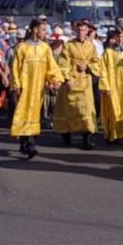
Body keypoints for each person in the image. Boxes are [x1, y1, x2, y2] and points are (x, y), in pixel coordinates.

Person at [10, 19, 64, 159]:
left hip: (38, 87)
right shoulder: (22, 47)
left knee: (34, 114)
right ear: (35, 30)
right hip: (25, 86)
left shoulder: (45, 48)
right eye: (43, 29)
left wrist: (55, 79)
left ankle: (25, 140)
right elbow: (15, 67)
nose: (45, 32)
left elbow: (51, 66)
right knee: (23, 112)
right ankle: (30, 143)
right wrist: (16, 84)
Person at [54, 20, 102, 150]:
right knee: (69, 108)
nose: (81, 33)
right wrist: (67, 78)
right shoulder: (69, 45)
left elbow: (97, 63)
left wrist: (87, 66)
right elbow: (63, 63)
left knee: (86, 109)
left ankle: (87, 139)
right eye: (79, 30)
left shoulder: (91, 46)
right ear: (76, 31)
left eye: (84, 30)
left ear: (87, 31)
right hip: (72, 79)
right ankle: (66, 135)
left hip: (85, 81)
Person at [100, 27, 123, 146]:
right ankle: (114, 134)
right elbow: (103, 70)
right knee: (114, 110)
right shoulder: (108, 52)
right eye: (118, 36)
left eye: (122, 36)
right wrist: (105, 86)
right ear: (114, 38)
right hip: (112, 84)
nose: (120, 39)